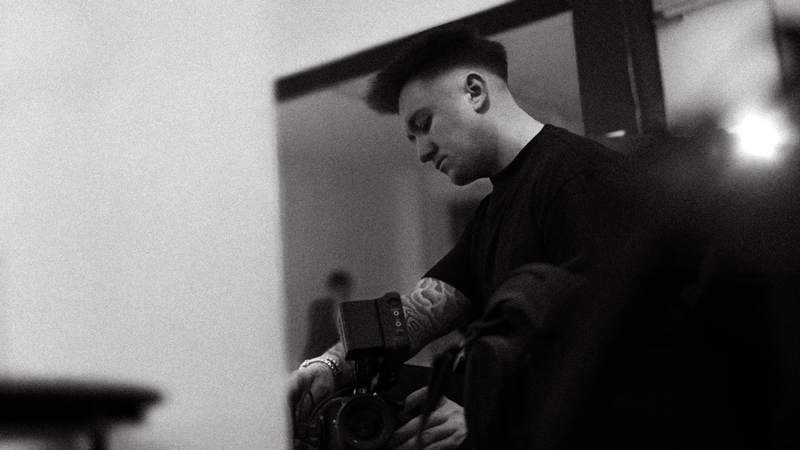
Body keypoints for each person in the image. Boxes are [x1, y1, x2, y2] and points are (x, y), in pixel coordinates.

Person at [288, 25, 646, 450]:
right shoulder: (491, 214)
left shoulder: (578, 179)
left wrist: (488, 418)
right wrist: (327, 367)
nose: (422, 151)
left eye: (424, 124)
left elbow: (630, 356)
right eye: (412, 137)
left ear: (474, 92)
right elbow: (417, 311)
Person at [301, 269, 353, 361]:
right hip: (319, 355)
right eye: (339, 289)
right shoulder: (319, 308)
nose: (342, 293)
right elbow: (317, 336)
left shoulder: (350, 310)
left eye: (345, 290)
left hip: (337, 357)